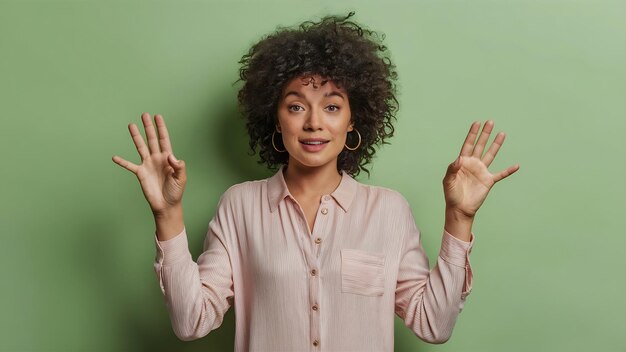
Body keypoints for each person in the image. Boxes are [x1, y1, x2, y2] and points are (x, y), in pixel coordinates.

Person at [112, 13, 519, 351]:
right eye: (295, 106)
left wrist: (459, 218)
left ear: (353, 119)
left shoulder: (389, 210)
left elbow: (434, 325)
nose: (313, 122)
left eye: (331, 106)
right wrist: (167, 214)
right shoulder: (240, 206)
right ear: (276, 117)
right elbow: (190, 321)